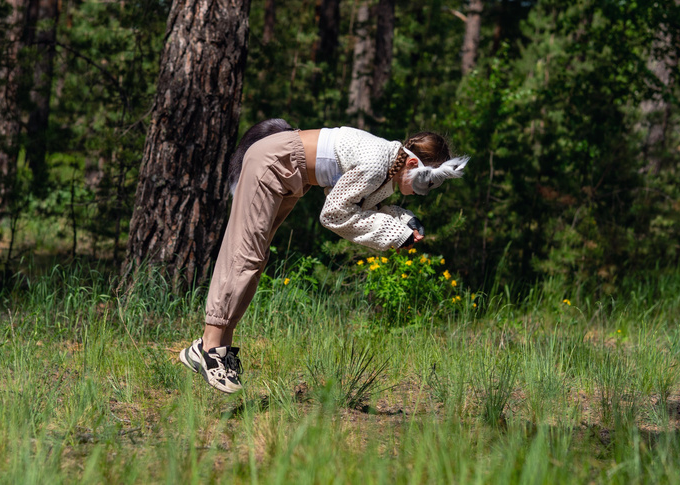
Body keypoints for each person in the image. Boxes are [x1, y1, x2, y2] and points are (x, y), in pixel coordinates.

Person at [179, 119, 469, 393]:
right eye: (427, 183)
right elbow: (333, 215)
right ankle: (211, 349)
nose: (423, 193)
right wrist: (395, 233)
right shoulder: (377, 162)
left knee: (255, 259)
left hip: (290, 173)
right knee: (244, 254)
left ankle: (216, 347)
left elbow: (361, 207)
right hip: (274, 162)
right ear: (411, 163)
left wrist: (403, 219)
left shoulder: (387, 167)